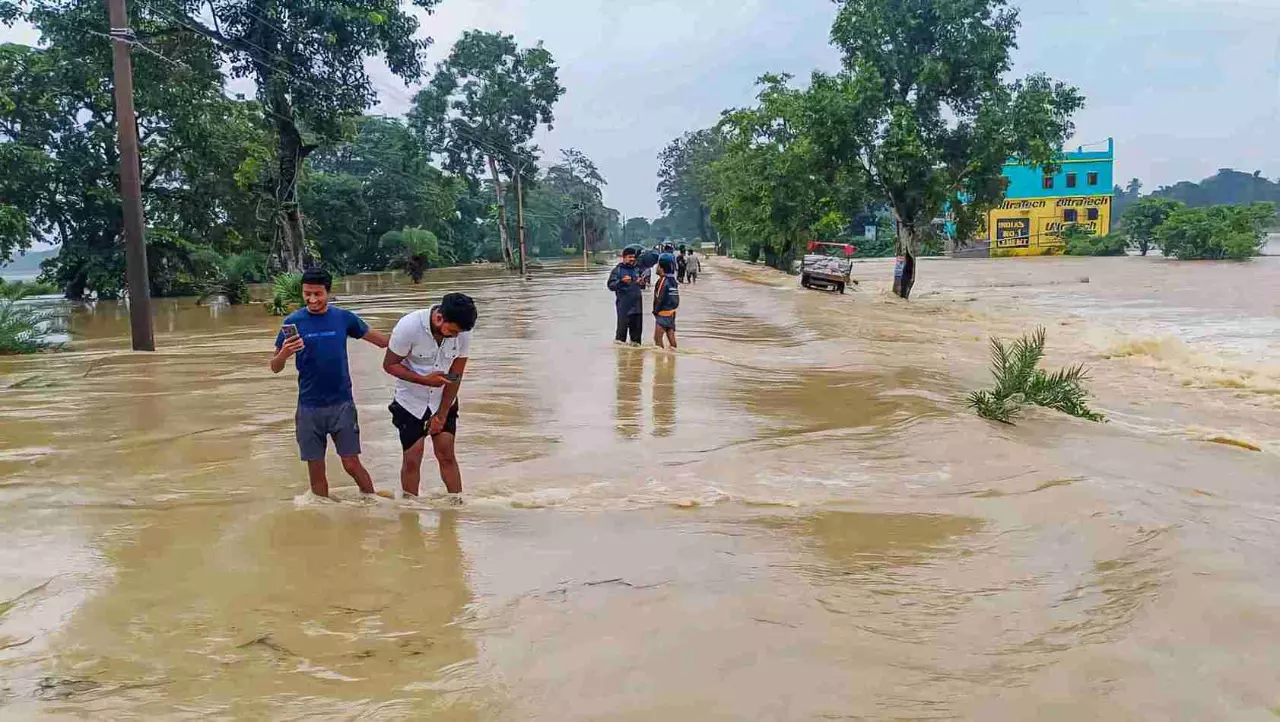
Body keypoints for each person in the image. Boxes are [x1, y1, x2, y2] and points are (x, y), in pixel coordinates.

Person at [270, 268, 389, 498]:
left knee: (351, 464)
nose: (312, 299)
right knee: (316, 472)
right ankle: (323, 519)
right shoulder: (292, 323)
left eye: (317, 294)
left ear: (328, 292)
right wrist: (284, 352)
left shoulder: (344, 318)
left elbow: (383, 342)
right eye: (307, 294)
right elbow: (275, 367)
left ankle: (373, 503)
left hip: (342, 404)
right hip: (308, 408)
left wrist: (417, 335)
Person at [382, 293, 479, 501]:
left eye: (459, 333)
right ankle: (410, 509)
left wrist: (442, 414)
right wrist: (425, 380)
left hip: (444, 399)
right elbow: (389, 365)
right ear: (439, 318)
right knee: (412, 459)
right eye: (452, 331)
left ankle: (456, 507)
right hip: (410, 401)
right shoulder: (408, 327)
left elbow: (455, 375)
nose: (455, 336)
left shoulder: (462, 333)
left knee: (446, 454)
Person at [607, 247, 644, 344]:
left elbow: (642, 285)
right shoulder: (617, 270)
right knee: (620, 339)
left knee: (636, 341)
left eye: (634, 257)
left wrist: (641, 282)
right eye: (630, 257)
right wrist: (621, 281)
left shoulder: (637, 269)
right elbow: (611, 286)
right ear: (623, 258)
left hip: (637, 308)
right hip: (624, 309)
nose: (632, 259)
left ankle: (636, 359)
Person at [653, 255, 680, 349]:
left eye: (658, 265)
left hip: (663, 313)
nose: (656, 268)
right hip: (672, 312)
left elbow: (659, 298)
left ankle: (659, 361)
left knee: (657, 339)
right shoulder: (673, 280)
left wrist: (655, 311)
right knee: (671, 337)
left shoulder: (662, 281)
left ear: (661, 268)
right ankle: (672, 359)